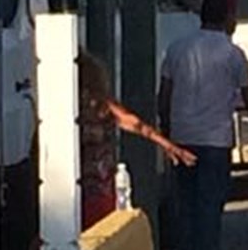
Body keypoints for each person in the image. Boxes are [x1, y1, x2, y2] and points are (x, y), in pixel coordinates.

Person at [158, 0, 248, 250]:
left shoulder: (177, 48)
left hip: (182, 137)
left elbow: (165, 93)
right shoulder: (232, 53)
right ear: (227, 18)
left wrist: (166, 132)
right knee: (210, 203)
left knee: (186, 202)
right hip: (216, 140)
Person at [78, 51, 197, 229]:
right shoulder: (104, 106)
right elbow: (136, 124)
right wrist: (168, 145)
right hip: (102, 185)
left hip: (81, 188)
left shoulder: (67, 110)